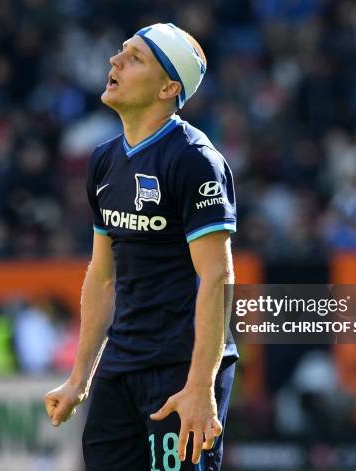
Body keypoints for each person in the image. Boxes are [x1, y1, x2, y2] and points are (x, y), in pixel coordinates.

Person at [44, 23, 238, 470]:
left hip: (181, 368)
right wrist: (80, 378)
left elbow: (218, 275)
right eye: (120, 51)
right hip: (121, 364)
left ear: (169, 87)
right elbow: (102, 274)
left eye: (134, 58)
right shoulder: (103, 159)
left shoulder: (194, 160)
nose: (114, 62)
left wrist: (200, 385)